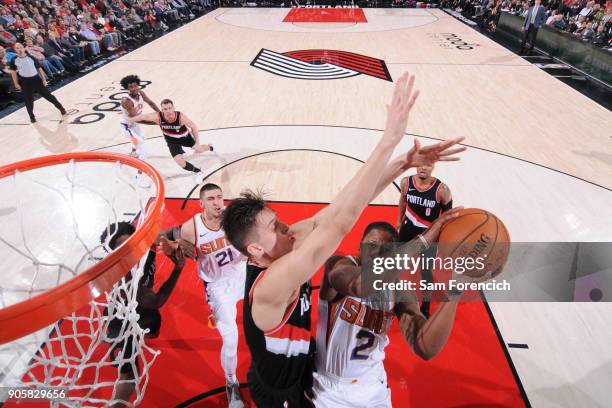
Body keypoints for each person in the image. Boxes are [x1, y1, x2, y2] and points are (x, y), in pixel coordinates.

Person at [221, 73, 465, 408]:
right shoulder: (271, 283)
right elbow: (339, 226)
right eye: (274, 227)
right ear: (255, 250)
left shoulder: (285, 245)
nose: (286, 227)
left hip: (306, 373)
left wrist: (401, 164)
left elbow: (337, 208)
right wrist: (389, 140)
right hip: (280, 393)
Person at [313, 219, 467, 407]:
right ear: (360, 245)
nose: (376, 253)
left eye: (385, 250)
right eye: (371, 245)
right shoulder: (339, 266)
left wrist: (457, 289)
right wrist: (423, 241)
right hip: (330, 389)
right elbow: (360, 285)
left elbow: (426, 348)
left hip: (373, 387)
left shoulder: (400, 290)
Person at [102, 221, 187, 408]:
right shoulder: (123, 277)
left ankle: (142, 335)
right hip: (120, 320)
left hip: (142, 308)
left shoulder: (145, 243)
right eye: (120, 249)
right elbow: (157, 301)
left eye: (129, 244)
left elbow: (174, 230)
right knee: (130, 375)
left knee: (154, 327)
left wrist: (180, 239)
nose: (128, 251)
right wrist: (178, 268)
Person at [180, 183, 246, 407]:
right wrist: (176, 250)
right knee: (231, 339)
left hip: (242, 274)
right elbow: (184, 256)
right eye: (210, 199)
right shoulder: (191, 229)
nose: (217, 202)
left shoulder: (234, 217)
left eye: (219, 197)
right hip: (218, 287)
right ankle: (231, 383)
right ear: (201, 204)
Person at [396, 164, 452, 316]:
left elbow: (447, 217)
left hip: (429, 234)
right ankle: (395, 298)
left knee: (426, 272)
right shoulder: (405, 182)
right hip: (407, 228)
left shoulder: (442, 190)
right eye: (421, 164)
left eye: (428, 165)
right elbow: (402, 200)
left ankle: (425, 306)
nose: (423, 168)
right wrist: (398, 221)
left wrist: (442, 238)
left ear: (433, 166)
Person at [128, 98, 213, 183]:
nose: (168, 111)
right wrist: (130, 120)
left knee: (199, 149)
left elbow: (193, 126)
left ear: (173, 108)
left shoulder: (180, 117)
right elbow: (143, 117)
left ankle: (211, 147)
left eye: (170, 108)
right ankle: (198, 171)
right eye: (165, 109)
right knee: (180, 163)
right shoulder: (157, 117)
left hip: (185, 138)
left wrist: (197, 143)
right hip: (172, 141)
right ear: (162, 110)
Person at [8, 42, 66, 123]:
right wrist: (16, 83)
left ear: (24, 48)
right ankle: (32, 116)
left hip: (36, 80)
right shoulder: (14, 60)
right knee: (29, 101)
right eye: (17, 48)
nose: (19, 49)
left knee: (48, 96)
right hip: (25, 82)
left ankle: (61, 108)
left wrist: (44, 79)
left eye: (20, 47)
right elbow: (13, 73)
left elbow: (39, 68)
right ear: (15, 50)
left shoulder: (31, 57)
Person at [119, 74, 159, 161]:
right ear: (127, 88)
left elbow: (151, 103)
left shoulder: (140, 93)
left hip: (135, 121)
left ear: (138, 85)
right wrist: (155, 123)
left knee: (136, 139)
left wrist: (160, 114)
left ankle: (133, 153)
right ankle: (141, 165)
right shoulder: (126, 101)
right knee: (141, 142)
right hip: (127, 125)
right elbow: (137, 119)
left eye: (135, 86)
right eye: (130, 87)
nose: (134, 88)